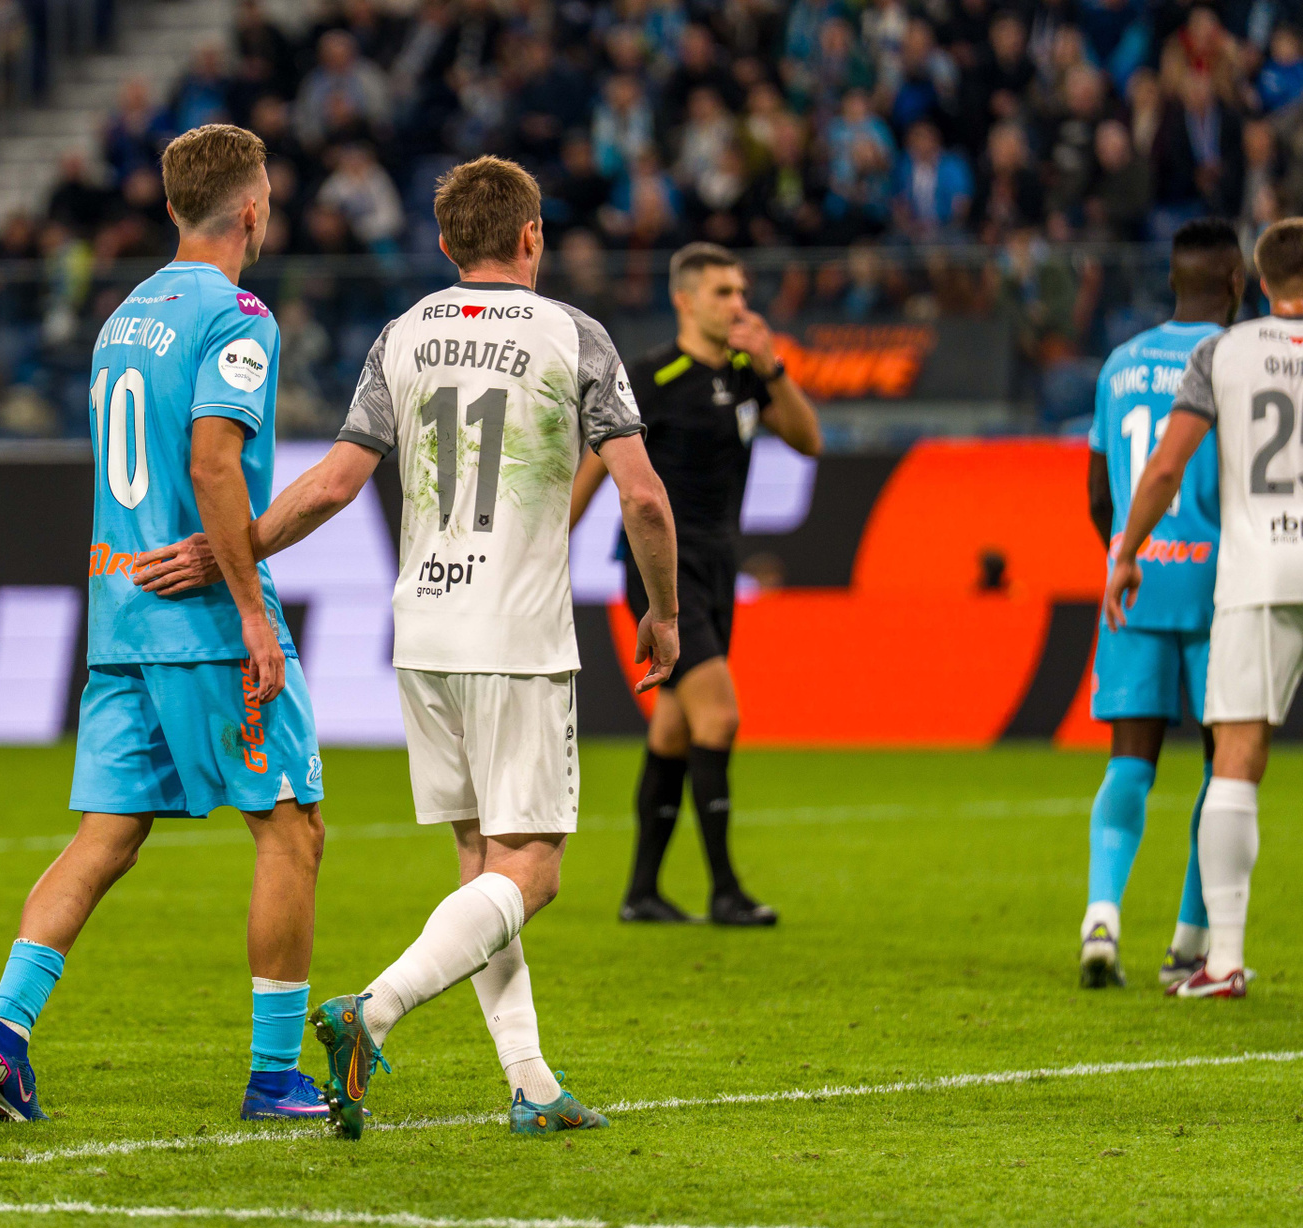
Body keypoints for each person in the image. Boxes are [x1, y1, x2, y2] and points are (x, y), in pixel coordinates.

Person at [138, 156, 682, 1140]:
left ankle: (531, 1083)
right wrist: (665, 610)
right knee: (533, 871)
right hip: (517, 635)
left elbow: (334, 484)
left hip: (424, 631)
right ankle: (373, 1008)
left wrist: (231, 548)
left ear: (443, 243)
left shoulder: (404, 334)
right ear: (531, 236)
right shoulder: (574, 334)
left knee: (482, 864)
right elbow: (641, 495)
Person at [0, 124, 329, 1124]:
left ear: (171, 208)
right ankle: (274, 1075)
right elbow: (212, 461)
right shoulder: (239, 316)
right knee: (291, 827)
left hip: (119, 613)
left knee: (106, 835)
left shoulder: (123, 318)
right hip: (201, 620)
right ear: (253, 208)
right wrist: (250, 612)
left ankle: (3, 1032)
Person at [570, 242, 821, 927]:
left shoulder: (746, 374)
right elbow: (594, 470)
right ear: (684, 300)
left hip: (718, 566)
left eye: (741, 291)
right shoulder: (652, 376)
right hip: (660, 572)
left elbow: (809, 440)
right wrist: (547, 548)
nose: (737, 304)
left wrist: (773, 368)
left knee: (675, 730)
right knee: (720, 716)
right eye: (722, 292)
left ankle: (641, 894)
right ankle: (726, 891)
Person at [1104, 215, 1303, 1000]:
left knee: (1236, 762)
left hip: (1258, 572)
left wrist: (1127, 553)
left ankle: (1221, 961)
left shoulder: (1223, 352)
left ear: (1258, 282)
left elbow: (1163, 469)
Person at [1079, 217, 1242, 990]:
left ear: (1172, 281)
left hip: (1135, 579)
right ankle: (1188, 942)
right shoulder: (1238, 359)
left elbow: (1095, 492)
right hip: (1220, 588)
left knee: (1129, 763)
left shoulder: (1119, 363)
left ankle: (1100, 919)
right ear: (1238, 283)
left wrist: (1126, 554)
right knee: (1224, 766)